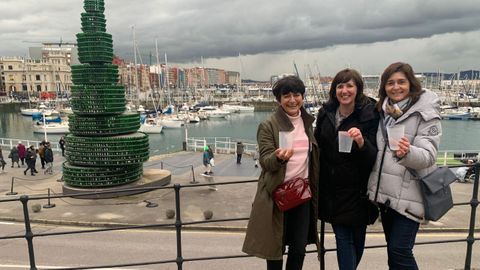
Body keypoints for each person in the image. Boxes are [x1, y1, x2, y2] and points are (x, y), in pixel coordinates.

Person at [368, 62, 442, 270]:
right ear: (384, 87)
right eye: (390, 83)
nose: (396, 87)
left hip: (412, 195)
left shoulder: (425, 113)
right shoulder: (384, 112)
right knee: (393, 252)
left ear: (411, 84)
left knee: (400, 250)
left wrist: (408, 152)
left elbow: (429, 155)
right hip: (387, 197)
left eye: (401, 82)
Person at [243, 75, 320, 270]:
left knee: (299, 249)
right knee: (275, 250)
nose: (292, 100)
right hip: (277, 195)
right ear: (279, 100)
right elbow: (265, 161)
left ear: (303, 97)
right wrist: (278, 158)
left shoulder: (308, 123)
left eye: (297, 94)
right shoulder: (268, 125)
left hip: (302, 194)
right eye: (286, 95)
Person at [314, 68, 379, 270]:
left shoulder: (370, 114)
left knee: (357, 242)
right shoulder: (325, 113)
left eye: (349, 85)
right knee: (343, 239)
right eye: (340, 86)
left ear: (357, 89)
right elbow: (317, 146)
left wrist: (361, 142)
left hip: (358, 191)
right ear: (334, 90)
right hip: (332, 190)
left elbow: (373, 157)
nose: (345, 90)